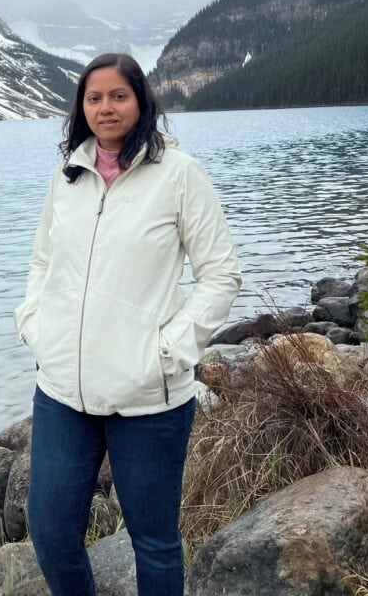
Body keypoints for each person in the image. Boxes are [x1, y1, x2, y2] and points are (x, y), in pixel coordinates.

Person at [15, 52, 241, 596]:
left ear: (141, 101)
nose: (106, 107)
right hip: (62, 389)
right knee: (51, 534)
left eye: (119, 95)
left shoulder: (179, 174)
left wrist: (169, 351)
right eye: (94, 97)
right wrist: (35, 324)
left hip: (148, 396)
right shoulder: (68, 176)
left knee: (154, 541)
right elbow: (43, 261)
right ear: (81, 107)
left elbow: (221, 274)